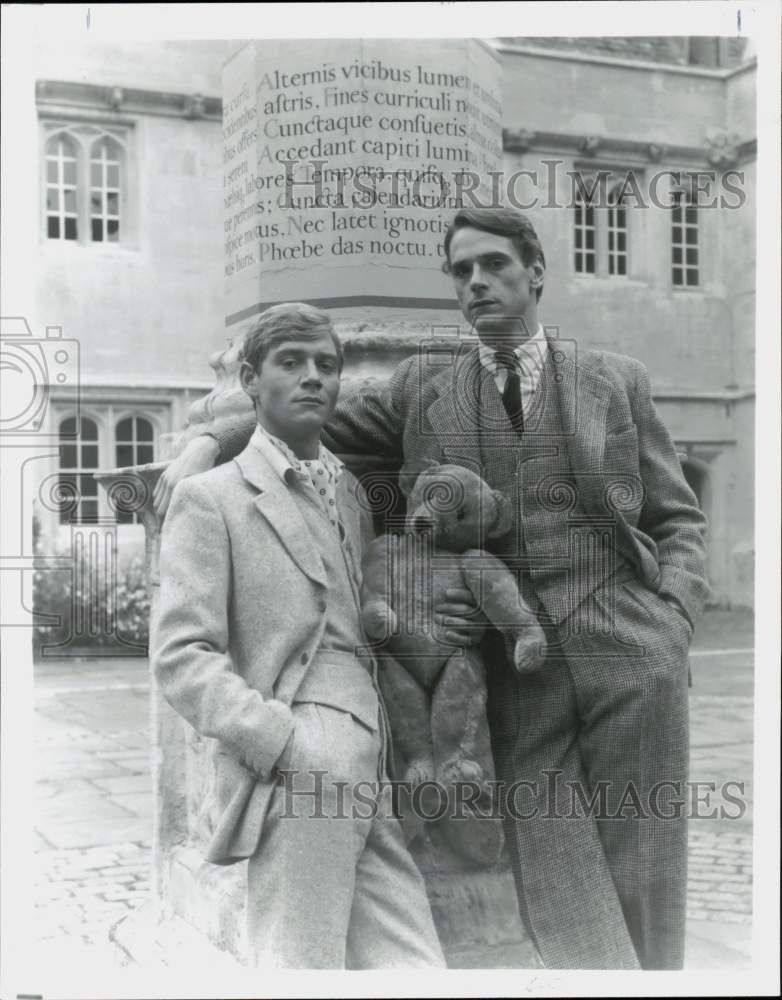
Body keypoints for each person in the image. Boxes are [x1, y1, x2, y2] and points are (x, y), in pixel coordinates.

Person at [154, 208, 709, 971]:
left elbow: (677, 516)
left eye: (494, 266)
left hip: (629, 648)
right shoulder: (425, 388)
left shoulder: (615, 381)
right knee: (553, 869)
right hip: (517, 664)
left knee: (646, 862)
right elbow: (307, 417)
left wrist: (672, 620)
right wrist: (204, 442)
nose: (477, 283)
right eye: (461, 272)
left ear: (536, 271)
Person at [152, 302, 447, 969]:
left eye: (327, 365)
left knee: (417, 967)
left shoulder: (350, 493)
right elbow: (180, 657)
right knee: (297, 964)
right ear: (251, 379)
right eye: (292, 363)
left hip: (374, 768)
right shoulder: (212, 499)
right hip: (300, 765)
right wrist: (281, 741)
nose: (313, 377)